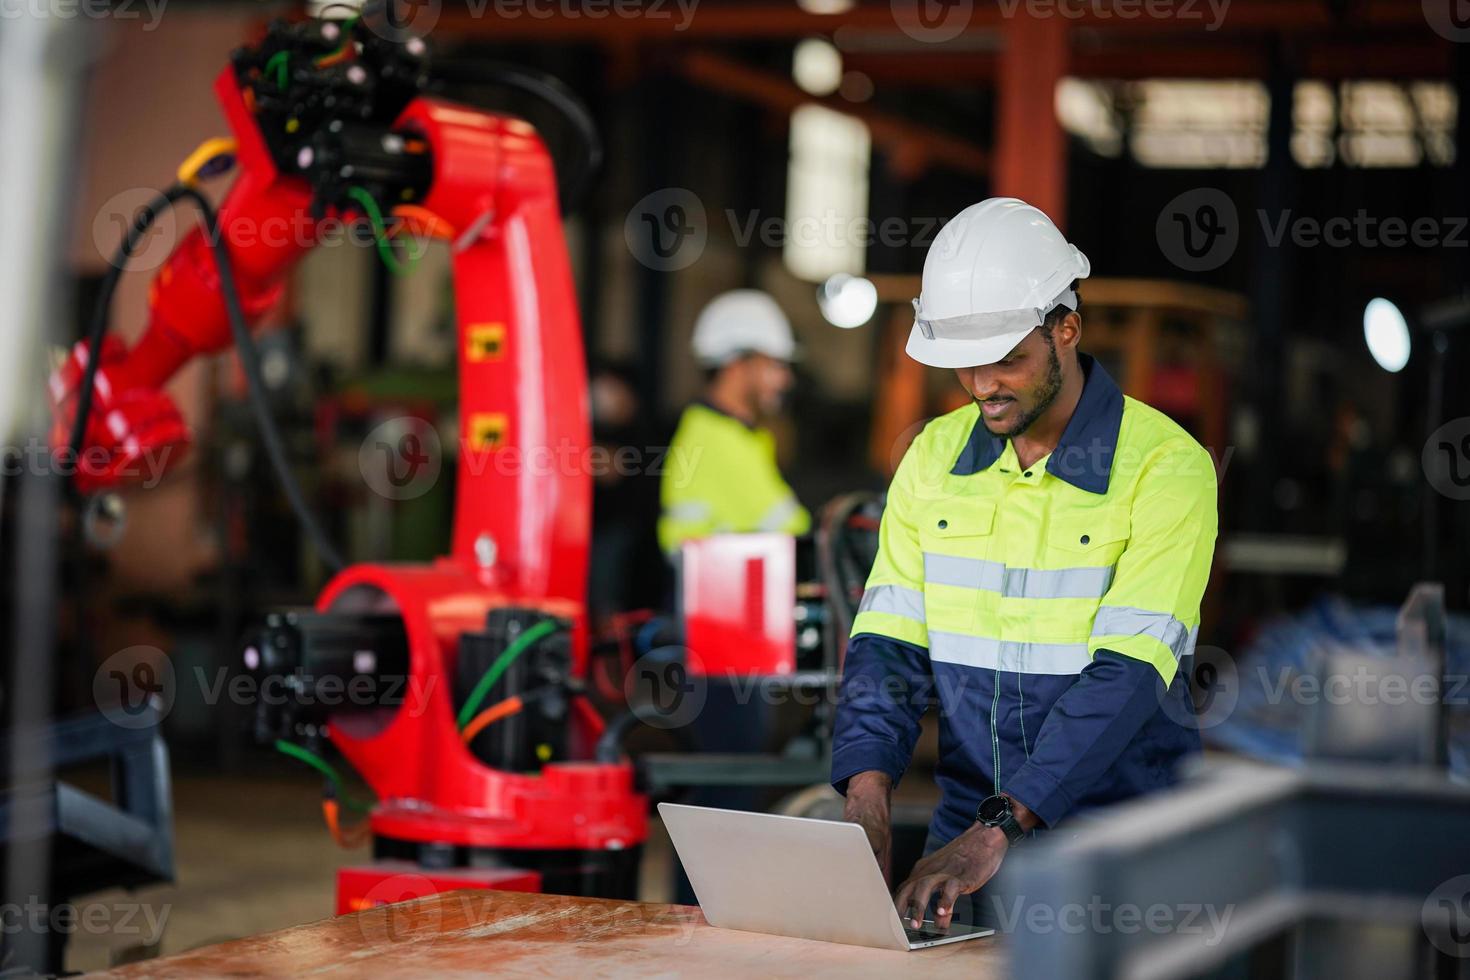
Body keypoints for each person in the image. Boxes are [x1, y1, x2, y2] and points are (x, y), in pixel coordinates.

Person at [831, 198, 1219, 931]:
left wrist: (1003, 826)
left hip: (1118, 841)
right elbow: (888, 644)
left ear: (1065, 329)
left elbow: (1128, 674)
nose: (982, 384)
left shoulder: (1165, 467)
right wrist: (866, 795)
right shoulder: (933, 456)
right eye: (963, 364)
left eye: (1007, 357)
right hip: (969, 834)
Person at [658, 290, 811, 554]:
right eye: (774, 365)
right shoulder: (720, 442)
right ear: (737, 365)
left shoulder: (715, 431)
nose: (785, 380)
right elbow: (794, 531)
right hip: (714, 591)